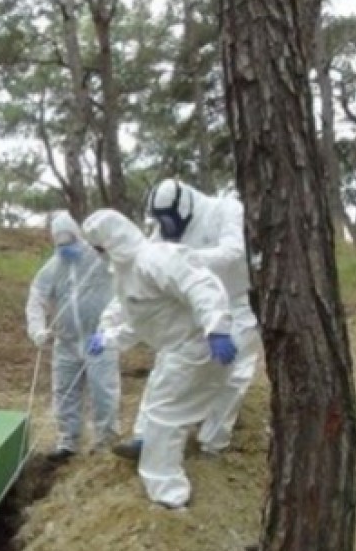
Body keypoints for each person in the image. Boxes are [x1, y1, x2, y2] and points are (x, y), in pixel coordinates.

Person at [81, 209, 237, 511]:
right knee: (156, 399)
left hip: (196, 346)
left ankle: (169, 496)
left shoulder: (156, 258)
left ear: (111, 242)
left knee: (165, 418)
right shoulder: (127, 273)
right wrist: (108, 339)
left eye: (99, 248)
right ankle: (146, 444)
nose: (99, 255)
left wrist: (217, 327)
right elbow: (142, 321)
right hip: (175, 348)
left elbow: (199, 284)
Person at [112, 179, 262, 460]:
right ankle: (145, 436)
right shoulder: (162, 232)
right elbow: (141, 269)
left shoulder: (226, 209)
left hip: (236, 304)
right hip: (191, 309)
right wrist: (111, 322)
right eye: (159, 221)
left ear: (183, 208)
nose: (164, 227)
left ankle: (213, 444)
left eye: (167, 220)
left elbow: (233, 253)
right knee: (167, 364)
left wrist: (179, 259)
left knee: (235, 374)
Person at [25, 211, 121, 463]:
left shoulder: (99, 258)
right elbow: (36, 299)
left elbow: (124, 266)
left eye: (70, 241)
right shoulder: (53, 267)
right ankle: (68, 442)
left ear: (79, 236)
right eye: (60, 244)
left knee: (103, 391)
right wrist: (37, 330)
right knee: (64, 393)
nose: (66, 248)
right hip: (66, 342)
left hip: (99, 338)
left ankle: (105, 442)